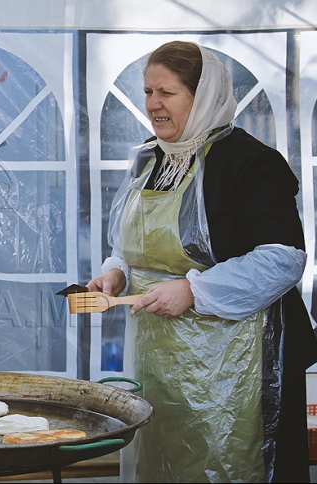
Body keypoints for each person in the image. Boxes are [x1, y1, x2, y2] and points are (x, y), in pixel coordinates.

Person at [86, 41, 317, 483]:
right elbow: (132, 242)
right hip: (158, 355)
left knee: (227, 464)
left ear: (204, 94)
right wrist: (116, 270)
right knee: (164, 459)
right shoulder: (150, 159)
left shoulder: (250, 163)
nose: (152, 104)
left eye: (166, 93)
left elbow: (283, 259)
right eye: (148, 92)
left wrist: (194, 290)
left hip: (235, 363)